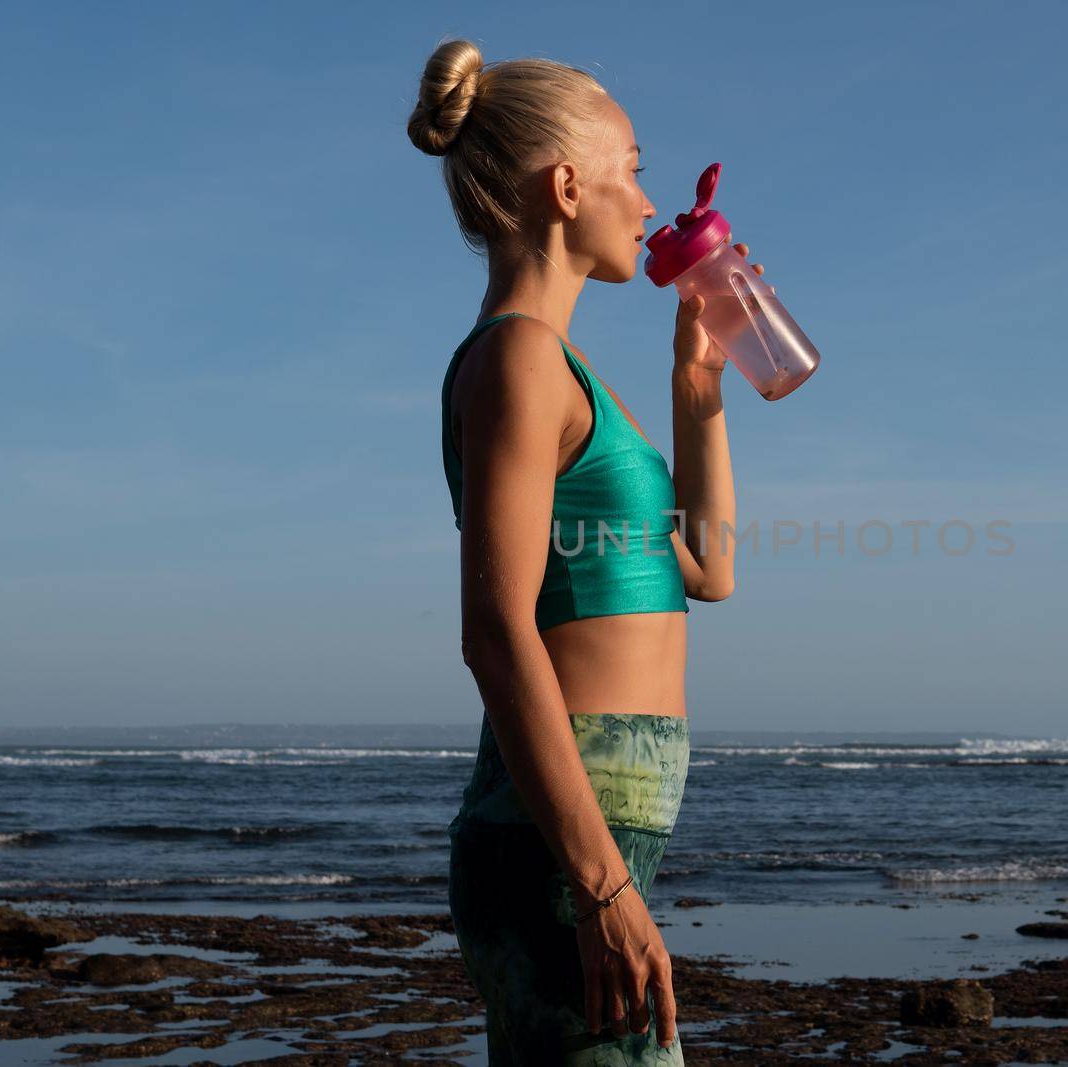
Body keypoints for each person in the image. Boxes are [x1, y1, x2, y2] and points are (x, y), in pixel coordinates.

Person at [406, 38, 758, 1065]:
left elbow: (709, 569)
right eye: (634, 167)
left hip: (598, 818)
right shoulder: (518, 358)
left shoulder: (561, 367)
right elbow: (494, 630)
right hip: (562, 836)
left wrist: (698, 388)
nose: (649, 202)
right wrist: (599, 883)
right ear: (567, 186)